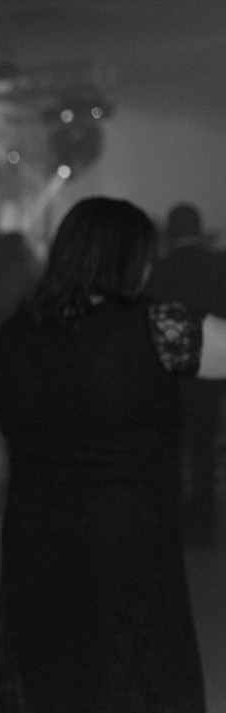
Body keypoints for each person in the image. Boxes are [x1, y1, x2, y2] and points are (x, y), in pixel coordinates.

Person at [0, 197, 226, 713]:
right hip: (132, 553)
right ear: (131, 258)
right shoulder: (163, 327)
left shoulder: (15, 332)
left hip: (40, 549)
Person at [144, 203, 226, 548]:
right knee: (204, 444)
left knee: (170, 446)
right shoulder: (218, 266)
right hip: (213, 366)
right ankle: (203, 518)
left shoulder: (159, 269)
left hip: (169, 369)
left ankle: (172, 515)